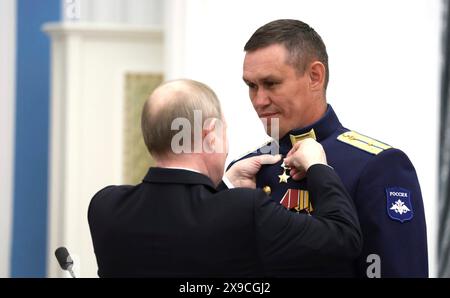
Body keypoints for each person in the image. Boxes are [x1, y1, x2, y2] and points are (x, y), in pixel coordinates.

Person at [88, 79, 362, 277]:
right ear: (210, 134)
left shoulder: (105, 207)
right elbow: (343, 238)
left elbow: (181, 227)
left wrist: (226, 186)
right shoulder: (244, 209)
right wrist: (318, 166)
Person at [234, 19, 428, 277]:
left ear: (315, 76)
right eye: (251, 86)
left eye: (271, 84)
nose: (259, 100)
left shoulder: (376, 166)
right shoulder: (246, 169)